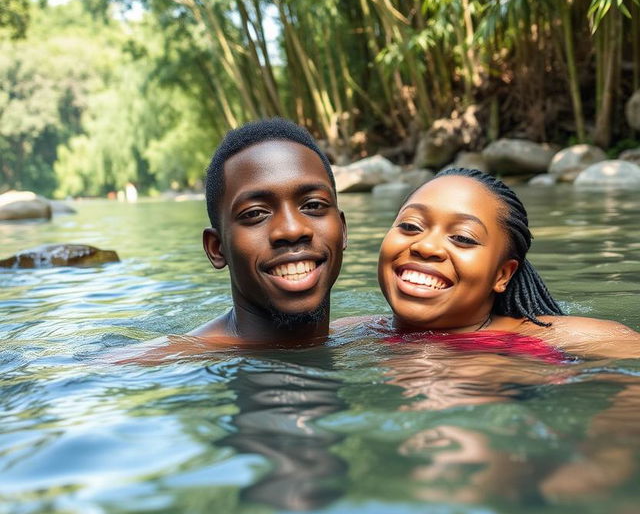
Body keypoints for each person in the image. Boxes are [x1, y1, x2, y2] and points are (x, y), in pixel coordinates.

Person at [111, 118, 347, 360]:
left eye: (313, 205)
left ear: (342, 230)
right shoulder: (150, 363)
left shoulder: (370, 334)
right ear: (217, 248)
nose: (291, 230)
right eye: (255, 213)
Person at [373, 167, 640, 360]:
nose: (426, 247)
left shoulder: (566, 337)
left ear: (502, 274)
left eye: (462, 238)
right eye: (410, 225)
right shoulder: (353, 333)